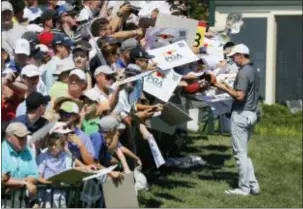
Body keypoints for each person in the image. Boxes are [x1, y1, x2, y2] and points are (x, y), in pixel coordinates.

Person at [214, 44, 261, 196]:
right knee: (244, 152)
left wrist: (223, 88)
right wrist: (229, 87)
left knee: (240, 154)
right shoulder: (253, 69)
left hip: (241, 114)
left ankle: (243, 188)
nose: (233, 59)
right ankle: (253, 185)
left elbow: (240, 96)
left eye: (234, 56)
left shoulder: (243, 72)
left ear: (241, 55)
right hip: (251, 114)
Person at [37, 122, 96, 208]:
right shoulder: (43, 155)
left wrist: (86, 168)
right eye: (50, 144)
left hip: (62, 197)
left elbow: (72, 168)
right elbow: (39, 178)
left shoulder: (65, 154)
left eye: (55, 145)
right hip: (47, 198)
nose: (53, 147)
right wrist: (53, 183)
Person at [2, 122, 39, 206]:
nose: (25, 140)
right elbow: (2, 179)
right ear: (9, 137)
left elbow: (34, 175)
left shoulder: (29, 151)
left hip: (21, 201)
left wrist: (19, 183)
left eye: (26, 136)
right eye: (21, 137)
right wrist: (25, 183)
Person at [57, 100, 95, 165]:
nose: (63, 117)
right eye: (61, 114)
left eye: (67, 115)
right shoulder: (53, 132)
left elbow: (91, 163)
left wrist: (81, 145)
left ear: (75, 117)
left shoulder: (83, 136)